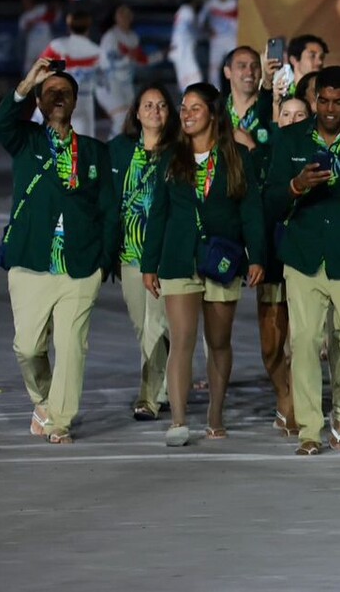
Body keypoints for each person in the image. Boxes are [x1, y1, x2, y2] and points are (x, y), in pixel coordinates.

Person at [263, 66, 340, 455]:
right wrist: (296, 186)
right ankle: (309, 431)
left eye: (339, 101)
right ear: (315, 99)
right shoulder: (288, 139)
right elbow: (269, 200)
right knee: (303, 342)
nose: (331, 109)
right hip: (304, 257)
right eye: (324, 101)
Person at [0, 59, 118, 444]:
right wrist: (28, 80)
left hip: (80, 265)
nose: (59, 97)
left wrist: (103, 262)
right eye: (50, 93)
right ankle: (45, 400)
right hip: (31, 260)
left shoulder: (95, 152)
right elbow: (2, 122)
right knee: (28, 347)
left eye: (65, 92)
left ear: (77, 101)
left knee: (71, 346)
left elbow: (109, 210)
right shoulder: (26, 140)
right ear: (39, 101)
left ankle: (60, 421)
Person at [141, 83, 266, 445]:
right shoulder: (170, 157)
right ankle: (179, 421)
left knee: (219, 341)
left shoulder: (237, 157)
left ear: (213, 113)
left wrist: (256, 255)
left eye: (196, 107)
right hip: (179, 259)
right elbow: (158, 215)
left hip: (222, 260)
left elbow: (251, 212)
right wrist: (150, 264)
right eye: (184, 107)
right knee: (182, 339)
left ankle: (215, 413)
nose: (187, 113)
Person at [109, 84, 177, 422]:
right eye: (148, 105)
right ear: (136, 112)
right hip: (129, 254)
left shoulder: (177, 152)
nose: (155, 111)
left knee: (156, 323)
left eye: (162, 105)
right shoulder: (119, 151)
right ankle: (162, 385)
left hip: (164, 254)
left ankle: (148, 397)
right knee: (142, 325)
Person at [258, 92, 310, 438]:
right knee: (271, 344)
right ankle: (284, 394)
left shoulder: (317, 157)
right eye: (286, 114)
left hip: (306, 258)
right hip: (272, 257)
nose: (292, 119)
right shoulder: (262, 155)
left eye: (299, 114)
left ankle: (297, 406)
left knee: (303, 340)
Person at [41, 7, 103, 138]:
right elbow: (104, 78)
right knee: (83, 147)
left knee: (49, 142)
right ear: (89, 26)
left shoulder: (57, 46)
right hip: (84, 100)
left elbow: (40, 68)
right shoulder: (97, 51)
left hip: (58, 99)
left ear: (68, 25)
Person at [98, 4, 150, 136]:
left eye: (127, 15)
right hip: (109, 84)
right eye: (121, 15)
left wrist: (162, 55)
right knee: (121, 119)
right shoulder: (110, 37)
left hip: (126, 84)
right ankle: (109, 153)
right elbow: (108, 63)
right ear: (116, 18)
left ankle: (123, 153)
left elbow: (142, 60)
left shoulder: (133, 37)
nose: (124, 18)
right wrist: (127, 58)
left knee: (133, 121)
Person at [201, 0, 239, 79]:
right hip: (216, 41)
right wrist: (208, 30)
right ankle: (214, 92)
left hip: (231, 39)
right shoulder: (211, 3)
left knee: (235, 66)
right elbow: (201, 21)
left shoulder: (235, 3)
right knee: (214, 69)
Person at [170, 0, 204, 89]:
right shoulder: (187, 10)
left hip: (182, 50)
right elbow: (192, 29)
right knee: (196, 80)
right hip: (182, 51)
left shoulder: (183, 11)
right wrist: (205, 32)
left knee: (187, 83)